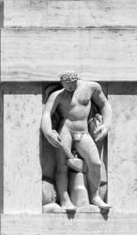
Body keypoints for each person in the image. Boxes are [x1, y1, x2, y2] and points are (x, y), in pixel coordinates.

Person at [40, 71, 112, 211]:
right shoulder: (58, 95)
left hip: (83, 131)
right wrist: (48, 132)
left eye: (71, 86)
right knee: (62, 167)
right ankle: (65, 199)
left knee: (95, 163)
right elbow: (47, 114)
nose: (69, 89)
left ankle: (95, 196)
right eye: (66, 86)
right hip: (66, 130)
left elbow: (105, 105)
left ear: (77, 80)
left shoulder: (91, 88)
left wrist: (107, 124)